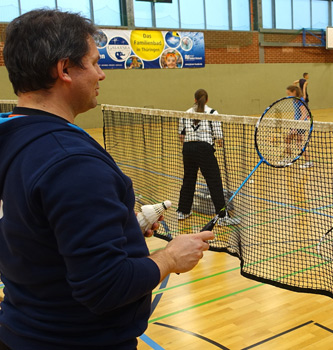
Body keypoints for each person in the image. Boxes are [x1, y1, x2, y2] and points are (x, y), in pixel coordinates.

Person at [0, 9, 214, 350]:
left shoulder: (15, 134)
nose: (102, 74)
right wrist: (170, 258)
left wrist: (116, 226)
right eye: (96, 62)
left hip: (22, 326)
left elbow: (34, 227)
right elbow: (105, 287)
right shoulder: (71, 163)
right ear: (65, 69)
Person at [176, 89, 240, 226]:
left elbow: (181, 136)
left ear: (195, 100)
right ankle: (223, 217)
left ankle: (183, 211)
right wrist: (218, 142)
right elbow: (219, 136)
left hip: (188, 149)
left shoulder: (186, 113)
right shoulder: (212, 113)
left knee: (188, 179)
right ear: (207, 100)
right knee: (214, 182)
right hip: (204, 149)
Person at [286, 85, 313, 169]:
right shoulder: (294, 100)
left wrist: (296, 127)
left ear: (294, 92)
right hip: (296, 123)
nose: (288, 95)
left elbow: (304, 115)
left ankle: (308, 162)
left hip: (301, 124)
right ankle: (288, 158)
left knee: (298, 143)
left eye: (289, 93)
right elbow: (296, 113)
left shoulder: (300, 100)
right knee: (287, 140)